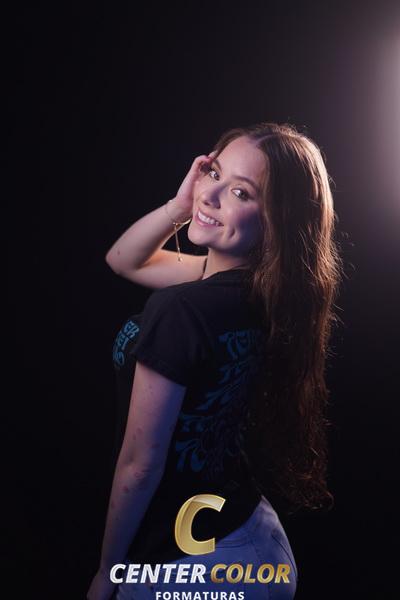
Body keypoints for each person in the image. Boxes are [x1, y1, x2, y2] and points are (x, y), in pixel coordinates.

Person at [87, 122, 343, 600]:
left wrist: (108, 571)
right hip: (252, 539)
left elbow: (140, 465)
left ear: (276, 221)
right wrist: (181, 206)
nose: (211, 195)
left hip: (199, 561)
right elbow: (124, 260)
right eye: (213, 172)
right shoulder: (265, 292)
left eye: (241, 192)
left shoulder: (183, 309)